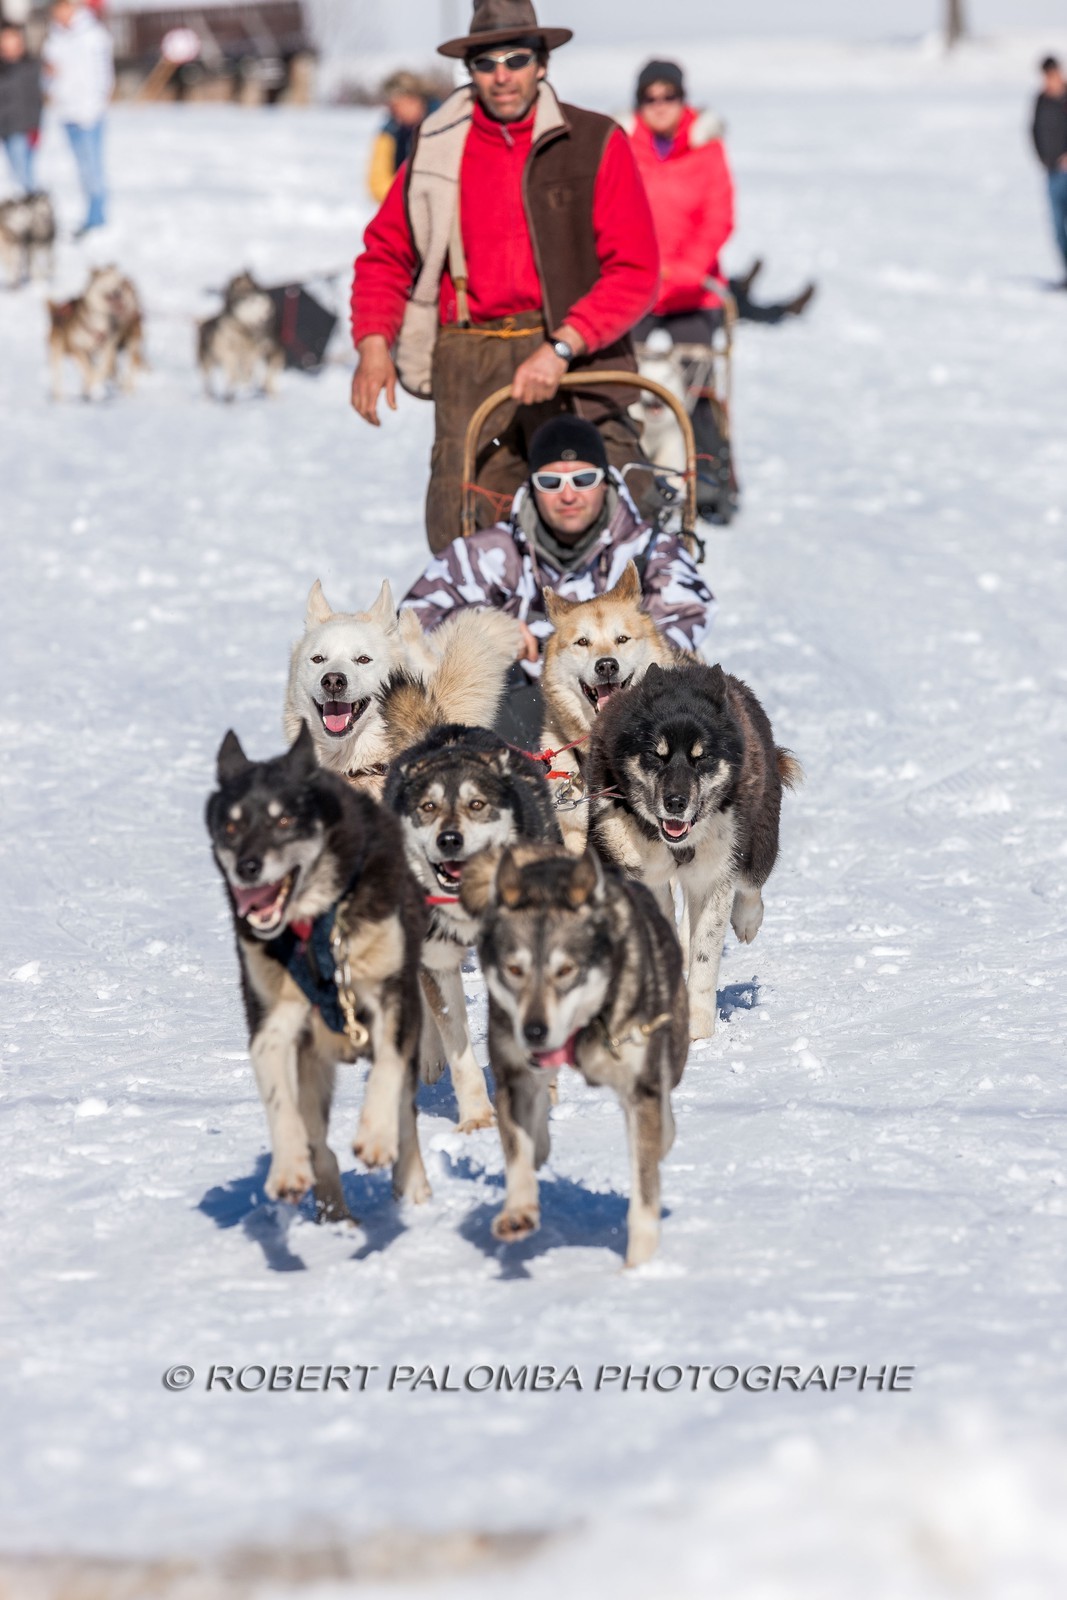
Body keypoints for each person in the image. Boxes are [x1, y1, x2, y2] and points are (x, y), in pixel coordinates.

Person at [350, 0, 659, 555]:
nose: (501, 75)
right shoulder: (437, 144)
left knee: (620, 506)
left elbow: (635, 272)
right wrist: (374, 342)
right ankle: (487, 634)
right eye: (485, 62)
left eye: (516, 59)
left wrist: (563, 345)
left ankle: (616, 633)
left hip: (574, 352)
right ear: (469, 71)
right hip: (472, 355)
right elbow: (385, 251)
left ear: (542, 63)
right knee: (466, 524)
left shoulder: (594, 141)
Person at [402, 415, 714, 742]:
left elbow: (688, 613)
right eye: (551, 482)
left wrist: (626, 648)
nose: (568, 495)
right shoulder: (488, 552)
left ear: (605, 480)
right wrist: (487, 631)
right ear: (532, 486)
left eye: (583, 479)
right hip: (521, 705)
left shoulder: (650, 548)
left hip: (636, 701)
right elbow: (412, 624)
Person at [622, 58, 741, 522]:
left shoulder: (705, 148)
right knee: (623, 379)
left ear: (682, 99)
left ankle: (710, 477)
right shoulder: (623, 147)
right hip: (638, 289)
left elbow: (718, 215)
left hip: (693, 289)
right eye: (650, 98)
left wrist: (689, 267)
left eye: (668, 96)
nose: (660, 107)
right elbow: (615, 213)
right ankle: (631, 472)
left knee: (698, 382)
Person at [42, 0, 113, 236]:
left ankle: (97, 216)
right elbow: (50, 77)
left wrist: (95, 106)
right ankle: (91, 213)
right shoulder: (54, 38)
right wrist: (50, 81)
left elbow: (103, 75)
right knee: (81, 168)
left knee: (93, 167)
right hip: (66, 112)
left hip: (89, 112)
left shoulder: (93, 34)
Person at [367, 71, 435, 203]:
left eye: (397, 105)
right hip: (403, 208)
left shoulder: (444, 126)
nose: (392, 111)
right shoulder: (390, 132)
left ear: (414, 100)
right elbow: (378, 183)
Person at [1032, 55, 1067, 286]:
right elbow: (1032, 130)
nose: (1049, 80)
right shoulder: (1041, 100)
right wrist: (1042, 159)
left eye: (1052, 75)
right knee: (1057, 228)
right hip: (1051, 172)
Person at [0, 24, 43, 193]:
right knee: (13, 176)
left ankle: (29, 210)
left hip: (22, 128)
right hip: (5, 127)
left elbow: (35, 101)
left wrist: (35, 128)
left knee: (23, 176)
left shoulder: (30, 66)